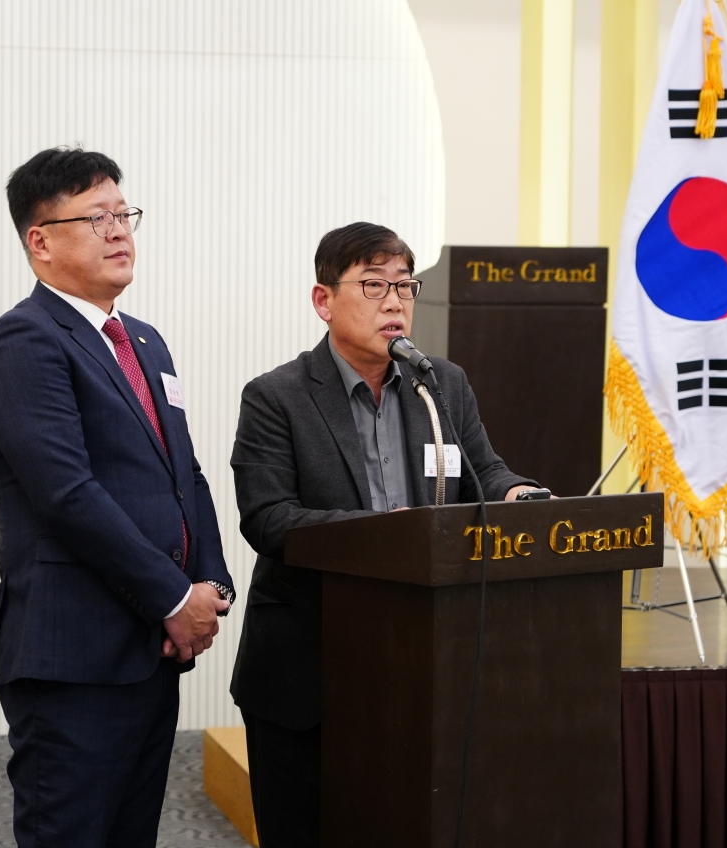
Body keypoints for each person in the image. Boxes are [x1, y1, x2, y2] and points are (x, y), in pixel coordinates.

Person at [228, 222, 544, 846]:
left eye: (405, 285)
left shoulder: (441, 384)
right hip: (308, 669)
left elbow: (483, 471)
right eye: (374, 285)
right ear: (324, 300)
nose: (395, 302)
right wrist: (385, 534)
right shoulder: (276, 397)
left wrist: (517, 494)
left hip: (421, 661)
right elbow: (269, 519)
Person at [0, 147, 235, 848]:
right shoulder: (24, 339)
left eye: (124, 214)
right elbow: (66, 494)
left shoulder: (144, 341)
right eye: (96, 218)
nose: (119, 231)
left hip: (150, 649)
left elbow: (186, 476)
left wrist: (209, 585)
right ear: (41, 241)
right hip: (75, 654)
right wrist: (172, 598)